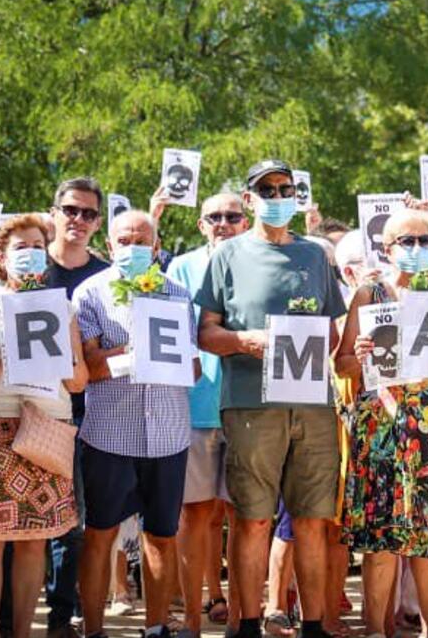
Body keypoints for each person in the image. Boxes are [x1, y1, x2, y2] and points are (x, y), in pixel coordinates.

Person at [193, 160, 347, 638]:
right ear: (250, 198)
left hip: (313, 405)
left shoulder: (316, 256)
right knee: (254, 520)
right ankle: (248, 623)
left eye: (286, 188)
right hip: (250, 403)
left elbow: (333, 332)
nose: (278, 195)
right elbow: (205, 333)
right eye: (268, 189)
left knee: (313, 520)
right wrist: (247, 341)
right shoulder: (227, 255)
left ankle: (315, 624)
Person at [0, 212, 88, 638]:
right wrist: (9, 356)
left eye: (36, 247)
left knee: (34, 540)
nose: (29, 254)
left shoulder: (61, 308)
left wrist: (57, 355)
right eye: (20, 247)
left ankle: (23, 631)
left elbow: (78, 380)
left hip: (45, 430)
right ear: (0, 256)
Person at [336, 204, 428, 638]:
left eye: (425, 241)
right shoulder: (368, 295)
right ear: (387, 248)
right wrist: (355, 355)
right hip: (379, 428)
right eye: (407, 241)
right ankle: (378, 630)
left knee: (427, 541)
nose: (417, 248)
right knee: (381, 542)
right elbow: (342, 367)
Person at [74, 209, 191, 638]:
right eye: (124, 240)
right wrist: (133, 352)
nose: (133, 248)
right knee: (100, 534)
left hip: (167, 433)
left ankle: (156, 627)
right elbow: (89, 367)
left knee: (161, 536)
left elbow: (191, 368)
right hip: (110, 434)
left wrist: (167, 355)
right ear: (109, 245)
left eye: (142, 241)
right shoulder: (90, 293)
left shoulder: (178, 294)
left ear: (157, 247)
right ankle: (93, 629)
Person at [165, 189, 251, 633]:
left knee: (244, 517)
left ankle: (239, 619)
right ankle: (194, 622)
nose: (223, 222)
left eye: (232, 216)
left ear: (246, 221)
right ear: (200, 225)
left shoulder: (258, 261)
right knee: (194, 514)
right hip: (195, 407)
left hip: (248, 408)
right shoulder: (181, 267)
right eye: (213, 216)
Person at [42, 178, 109, 638]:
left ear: (98, 222)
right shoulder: (27, 268)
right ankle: (8, 615)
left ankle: (62, 617)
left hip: (89, 409)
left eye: (88, 214)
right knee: (23, 523)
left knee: (72, 522)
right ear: (54, 212)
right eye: (71, 210)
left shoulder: (106, 278)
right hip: (27, 407)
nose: (78, 220)